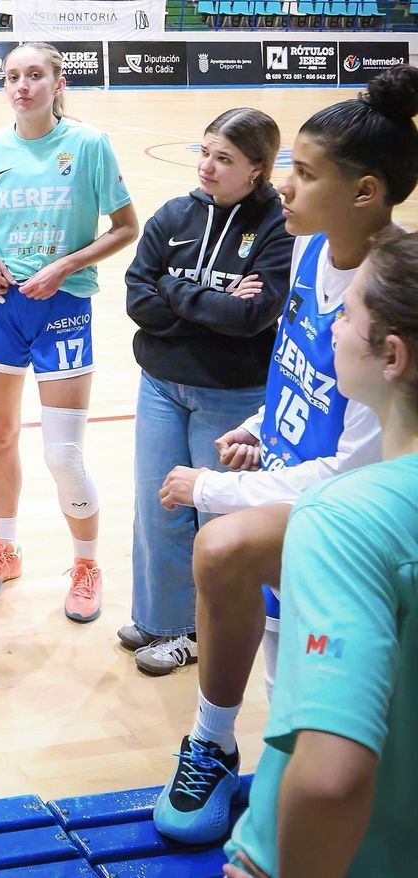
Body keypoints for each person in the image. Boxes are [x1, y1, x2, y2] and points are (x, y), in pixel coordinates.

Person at [150, 67, 416, 848]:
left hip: (341, 511)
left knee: (228, 558)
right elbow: (299, 367)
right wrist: (266, 425)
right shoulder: (311, 253)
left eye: (304, 171)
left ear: (365, 192)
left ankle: (264, 784)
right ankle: (216, 743)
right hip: (295, 480)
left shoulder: (385, 297)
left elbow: (354, 477)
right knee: (270, 650)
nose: (287, 187)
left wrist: (214, 486)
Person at [221, 229, 418, 878]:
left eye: (349, 311)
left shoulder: (341, 519)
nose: (331, 322)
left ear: (391, 356)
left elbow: (331, 780)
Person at [0, 41, 138, 623]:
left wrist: (66, 265)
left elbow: (125, 228)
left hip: (63, 306)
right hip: (0, 307)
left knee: (63, 452)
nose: (22, 86)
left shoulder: (88, 145)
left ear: (57, 83)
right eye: (12, 76)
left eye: (34, 75)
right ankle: (4, 548)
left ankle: (87, 564)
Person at [120, 108, 292, 676]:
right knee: (158, 505)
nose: (207, 167)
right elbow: (137, 298)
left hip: (231, 396)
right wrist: (206, 304)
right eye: (205, 152)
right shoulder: (174, 215)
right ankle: (162, 620)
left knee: (217, 518)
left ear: (258, 170)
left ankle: (201, 631)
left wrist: (173, 289)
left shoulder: (276, 229)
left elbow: (251, 318)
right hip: (161, 384)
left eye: (224, 159)